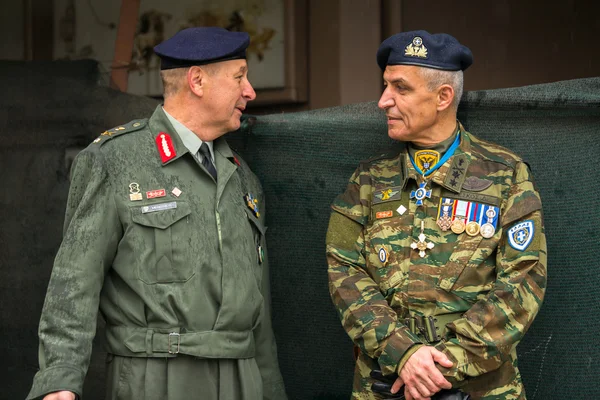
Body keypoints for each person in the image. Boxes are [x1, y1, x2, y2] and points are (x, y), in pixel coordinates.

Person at [27, 27, 287, 400]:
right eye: (240, 77)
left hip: (241, 378)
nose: (250, 92)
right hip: (154, 376)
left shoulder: (243, 177)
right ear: (197, 80)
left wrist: (271, 391)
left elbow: (259, 318)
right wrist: (59, 382)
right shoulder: (115, 161)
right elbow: (74, 283)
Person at [326, 30, 546, 400]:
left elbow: (524, 282)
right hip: (385, 383)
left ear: (443, 96)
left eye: (401, 88)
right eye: (385, 86)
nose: (383, 101)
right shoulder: (366, 181)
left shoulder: (505, 174)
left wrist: (442, 366)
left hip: (479, 387)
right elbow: (343, 271)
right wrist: (404, 354)